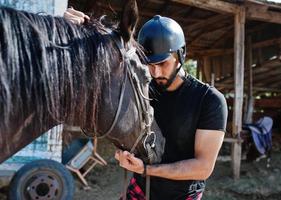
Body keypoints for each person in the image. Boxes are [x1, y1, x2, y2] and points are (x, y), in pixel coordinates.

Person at [64, 9, 227, 200]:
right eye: (149, 64)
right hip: (139, 189)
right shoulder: (143, 88)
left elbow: (203, 168)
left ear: (181, 54)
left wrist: (147, 169)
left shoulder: (210, 100)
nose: (155, 73)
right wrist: (88, 29)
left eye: (163, 63)